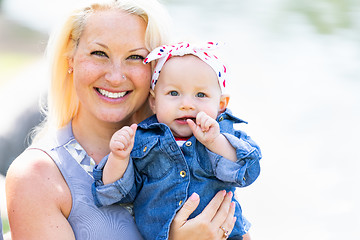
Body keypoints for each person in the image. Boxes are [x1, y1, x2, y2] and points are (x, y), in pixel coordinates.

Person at [5, 1, 237, 239]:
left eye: (135, 57)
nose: (115, 77)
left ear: (158, 69)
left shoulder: (199, 147)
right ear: (70, 59)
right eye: (99, 53)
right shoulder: (35, 177)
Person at [93, 42, 261, 240]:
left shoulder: (223, 134)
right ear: (154, 102)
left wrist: (215, 142)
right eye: (173, 93)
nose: (186, 104)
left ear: (221, 104)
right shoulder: (143, 139)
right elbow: (112, 194)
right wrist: (118, 158)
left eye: (201, 95)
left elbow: (247, 171)